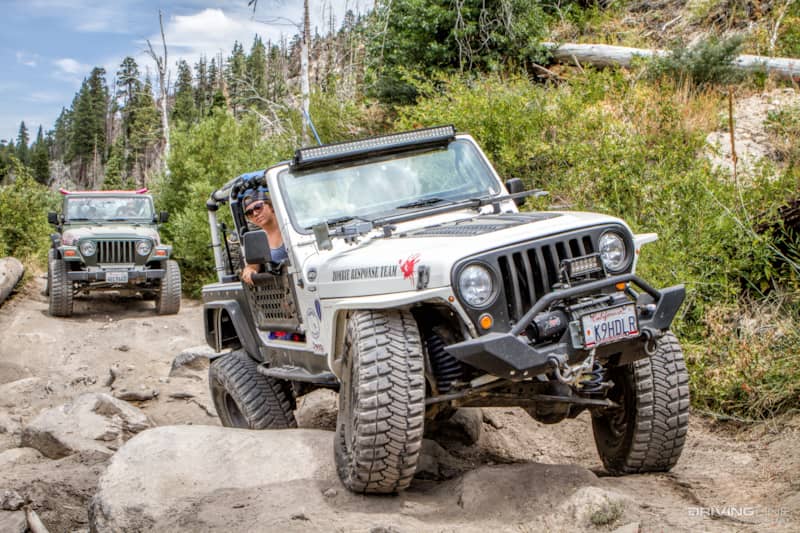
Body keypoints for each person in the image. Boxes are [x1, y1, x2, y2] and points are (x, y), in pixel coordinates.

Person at [240, 187, 288, 285]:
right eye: (249, 213)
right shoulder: (257, 240)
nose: (255, 213)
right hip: (280, 291)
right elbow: (253, 266)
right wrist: (249, 270)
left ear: (271, 206)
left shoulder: (290, 228)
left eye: (258, 207)